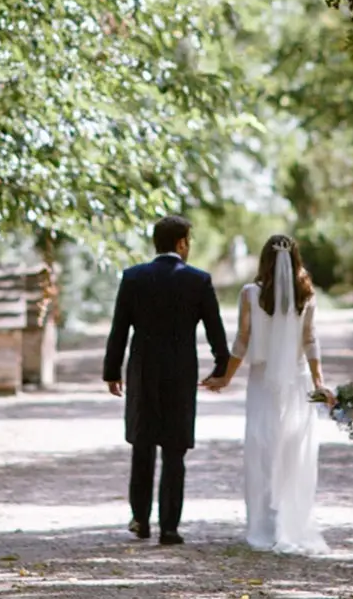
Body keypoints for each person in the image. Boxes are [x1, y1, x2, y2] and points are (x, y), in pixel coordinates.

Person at [103, 215, 230, 546]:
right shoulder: (198, 281)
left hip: (142, 372)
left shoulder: (133, 278)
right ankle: (170, 527)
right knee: (174, 452)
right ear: (181, 243)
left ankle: (140, 520)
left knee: (142, 448)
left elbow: (119, 329)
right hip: (180, 374)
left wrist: (112, 371)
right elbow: (214, 330)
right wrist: (221, 367)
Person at [204, 233, 332, 555]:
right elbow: (310, 339)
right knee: (293, 450)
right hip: (298, 379)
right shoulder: (306, 293)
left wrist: (226, 377)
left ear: (264, 259)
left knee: (262, 450)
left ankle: (264, 524)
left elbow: (242, 341)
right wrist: (319, 382)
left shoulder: (250, 294)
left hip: (262, 380)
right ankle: (289, 523)